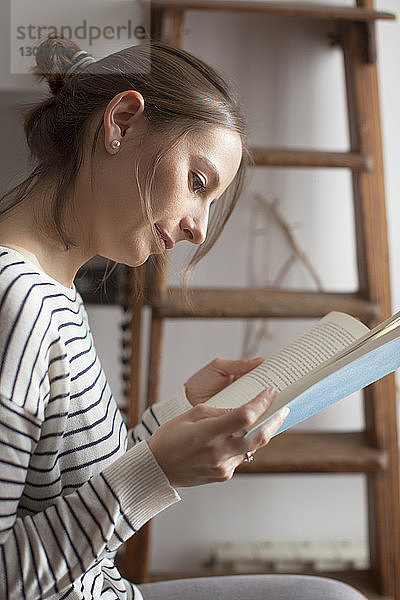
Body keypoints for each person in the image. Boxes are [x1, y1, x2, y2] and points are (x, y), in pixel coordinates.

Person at [0, 36, 367, 600]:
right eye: (198, 183)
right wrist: (156, 473)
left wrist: (172, 419)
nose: (198, 227)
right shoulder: (15, 300)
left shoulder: (55, 291)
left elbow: (62, 493)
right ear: (121, 121)